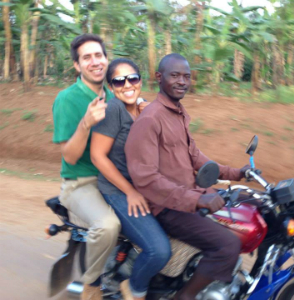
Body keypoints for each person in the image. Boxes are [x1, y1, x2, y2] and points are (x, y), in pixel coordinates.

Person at [125, 53, 250, 300]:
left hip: (188, 196)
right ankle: (186, 296)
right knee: (227, 246)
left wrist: (238, 174)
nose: (182, 81)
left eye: (187, 76)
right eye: (175, 75)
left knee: (249, 204)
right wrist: (196, 200)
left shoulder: (178, 114)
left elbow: (197, 158)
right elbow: (146, 178)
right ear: (159, 77)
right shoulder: (150, 118)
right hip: (167, 207)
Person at [90, 58, 171, 300]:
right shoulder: (114, 110)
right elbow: (97, 156)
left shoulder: (144, 108)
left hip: (145, 187)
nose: (127, 84)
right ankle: (133, 288)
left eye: (132, 78)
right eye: (119, 80)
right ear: (112, 87)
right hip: (118, 190)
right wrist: (130, 192)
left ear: (140, 81)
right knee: (158, 250)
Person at [52, 34, 122, 300]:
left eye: (99, 55)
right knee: (107, 226)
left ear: (106, 59)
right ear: (77, 66)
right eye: (87, 57)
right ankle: (91, 285)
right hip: (80, 182)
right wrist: (86, 123)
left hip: (112, 178)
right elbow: (69, 157)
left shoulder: (115, 95)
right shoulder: (67, 99)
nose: (95, 62)